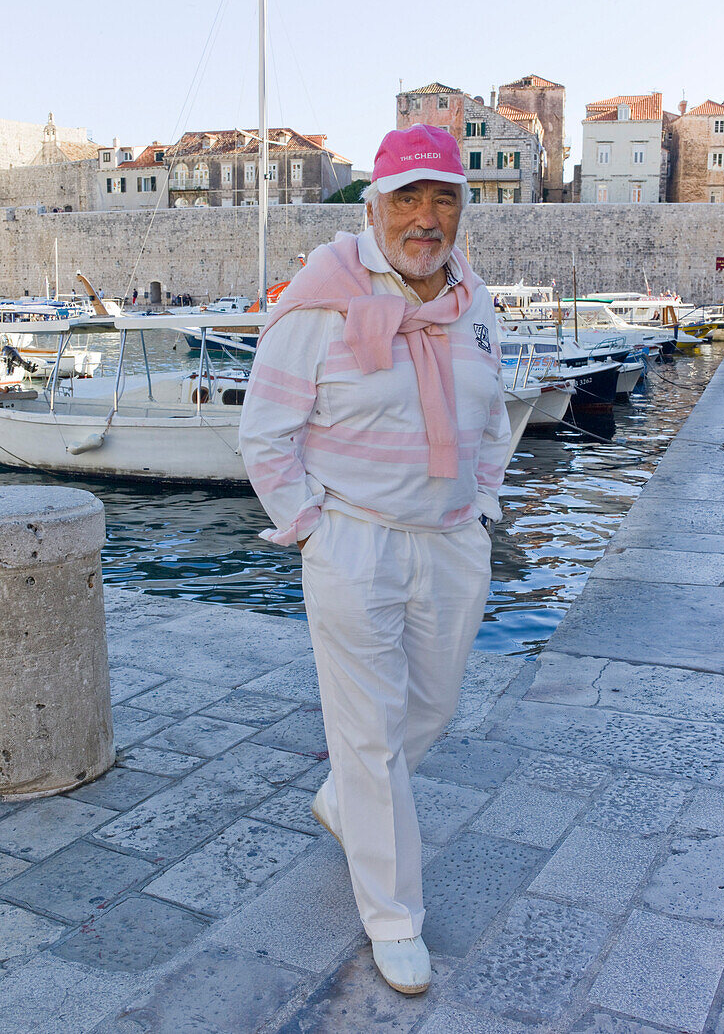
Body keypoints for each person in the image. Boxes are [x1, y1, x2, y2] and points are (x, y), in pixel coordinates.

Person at [239, 125, 511, 995]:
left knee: (429, 708)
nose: (426, 218)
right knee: (368, 735)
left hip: (451, 538)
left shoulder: (472, 299)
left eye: (444, 199)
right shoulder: (319, 302)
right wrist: (313, 530)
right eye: (408, 198)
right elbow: (266, 436)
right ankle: (393, 918)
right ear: (373, 204)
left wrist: (484, 505)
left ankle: (340, 804)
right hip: (354, 541)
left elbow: (495, 414)